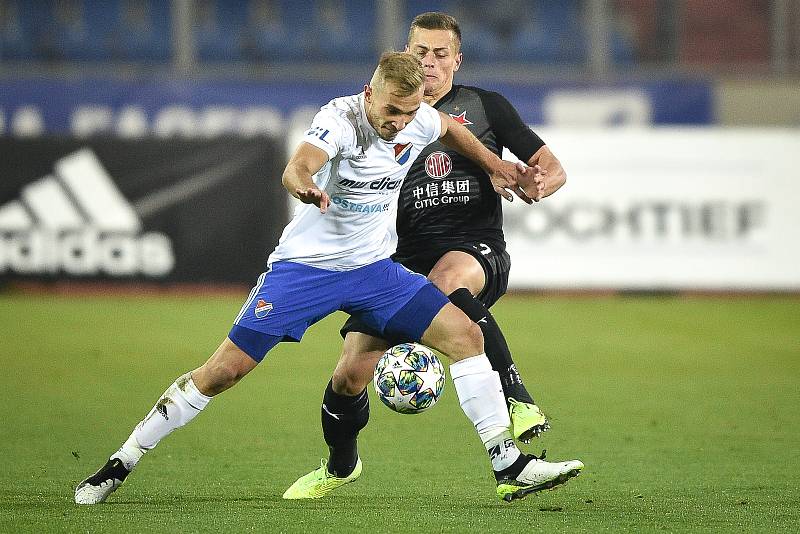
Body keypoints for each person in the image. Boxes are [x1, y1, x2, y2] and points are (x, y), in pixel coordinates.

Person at [74, 52, 580, 506]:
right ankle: (122, 461)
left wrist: (494, 164)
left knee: (466, 336)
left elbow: (449, 127)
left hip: (375, 272)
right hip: (305, 272)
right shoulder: (339, 119)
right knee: (222, 372)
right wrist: (307, 189)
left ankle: (509, 465)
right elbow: (297, 167)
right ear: (368, 93)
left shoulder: (419, 119)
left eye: (408, 113)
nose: (397, 123)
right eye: (389, 112)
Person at [284, 14, 580, 503]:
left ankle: (518, 403)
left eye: (441, 54)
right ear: (406, 55)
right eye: (421, 52)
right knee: (350, 372)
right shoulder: (382, 113)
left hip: (473, 247)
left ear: (457, 60)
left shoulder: (484, 107)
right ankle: (339, 466)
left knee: (445, 282)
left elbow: (551, 166)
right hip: (396, 261)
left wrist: (542, 180)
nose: (430, 62)